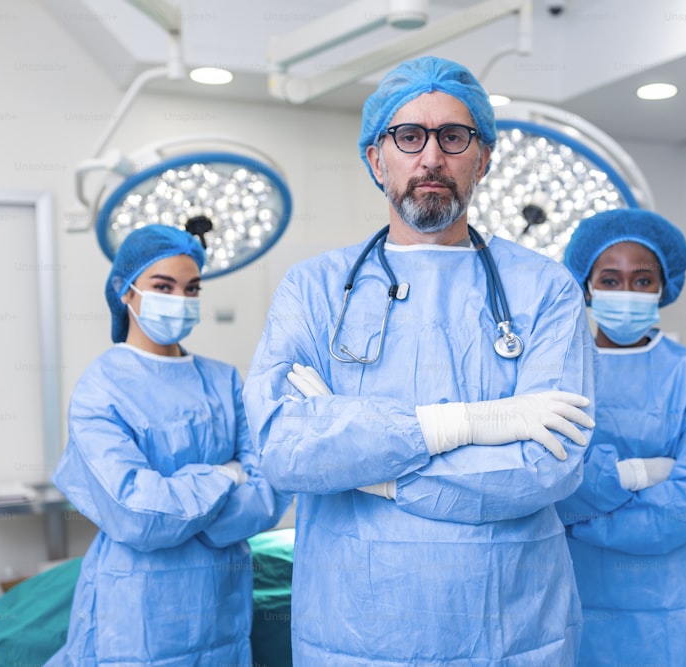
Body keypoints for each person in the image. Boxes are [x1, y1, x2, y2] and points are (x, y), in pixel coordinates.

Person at [243, 56, 595, 665]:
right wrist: (459, 426)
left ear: (482, 158)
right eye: (409, 136)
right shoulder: (314, 290)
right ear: (377, 159)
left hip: (510, 628)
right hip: (355, 630)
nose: (431, 157)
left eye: (453, 137)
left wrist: (366, 471)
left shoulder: (546, 289)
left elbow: (548, 465)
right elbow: (283, 446)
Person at [48, 224, 289, 665]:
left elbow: (268, 492)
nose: (180, 300)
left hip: (220, 603)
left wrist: (178, 502)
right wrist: (224, 475)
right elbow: (136, 514)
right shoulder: (100, 389)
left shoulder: (224, 381)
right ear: (126, 292)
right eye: (163, 286)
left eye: (191, 288)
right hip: (135, 612)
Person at [556, 208, 686, 666]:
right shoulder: (557, 372)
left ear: (663, 287)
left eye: (642, 281)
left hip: (663, 608)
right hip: (564, 594)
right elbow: (543, 479)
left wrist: (583, 518)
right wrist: (640, 473)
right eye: (611, 280)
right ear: (587, 285)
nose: (627, 292)